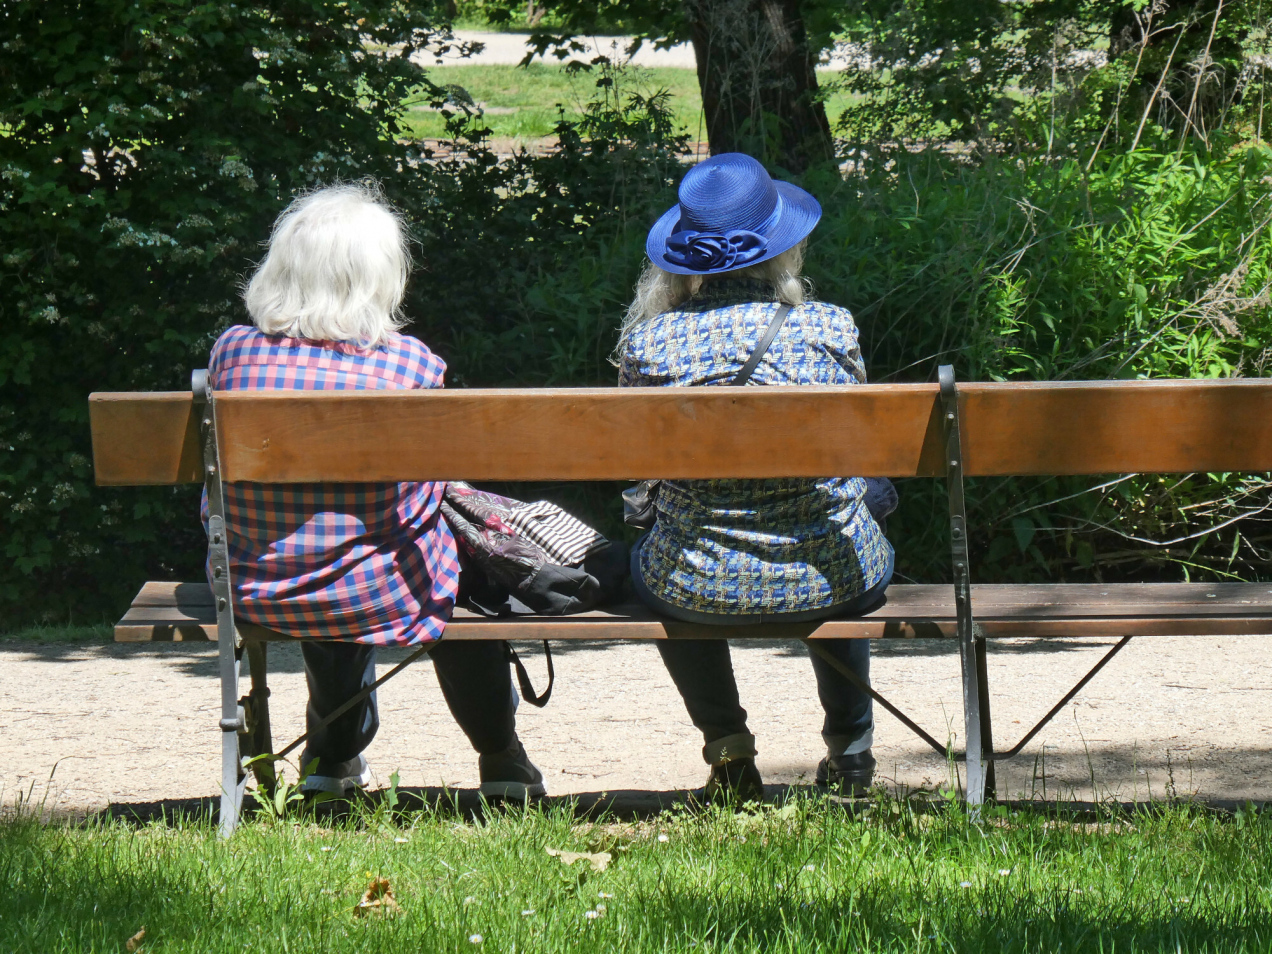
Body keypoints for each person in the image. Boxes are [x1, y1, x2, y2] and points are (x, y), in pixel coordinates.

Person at [204, 182, 545, 799]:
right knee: (435, 564)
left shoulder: (232, 355)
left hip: (256, 586)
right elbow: (428, 489)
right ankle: (501, 757)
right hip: (379, 591)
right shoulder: (410, 365)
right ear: (379, 276)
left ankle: (331, 759)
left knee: (331, 545)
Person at [616, 153, 896, 803]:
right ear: (782, 249)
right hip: (828, 573)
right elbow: (855, 451)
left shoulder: (650, 344)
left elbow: (637, 473)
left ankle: (731, 756)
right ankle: (851, 753)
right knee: (856, 508)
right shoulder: (828, 327)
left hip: (696, 579)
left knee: (659, 549)